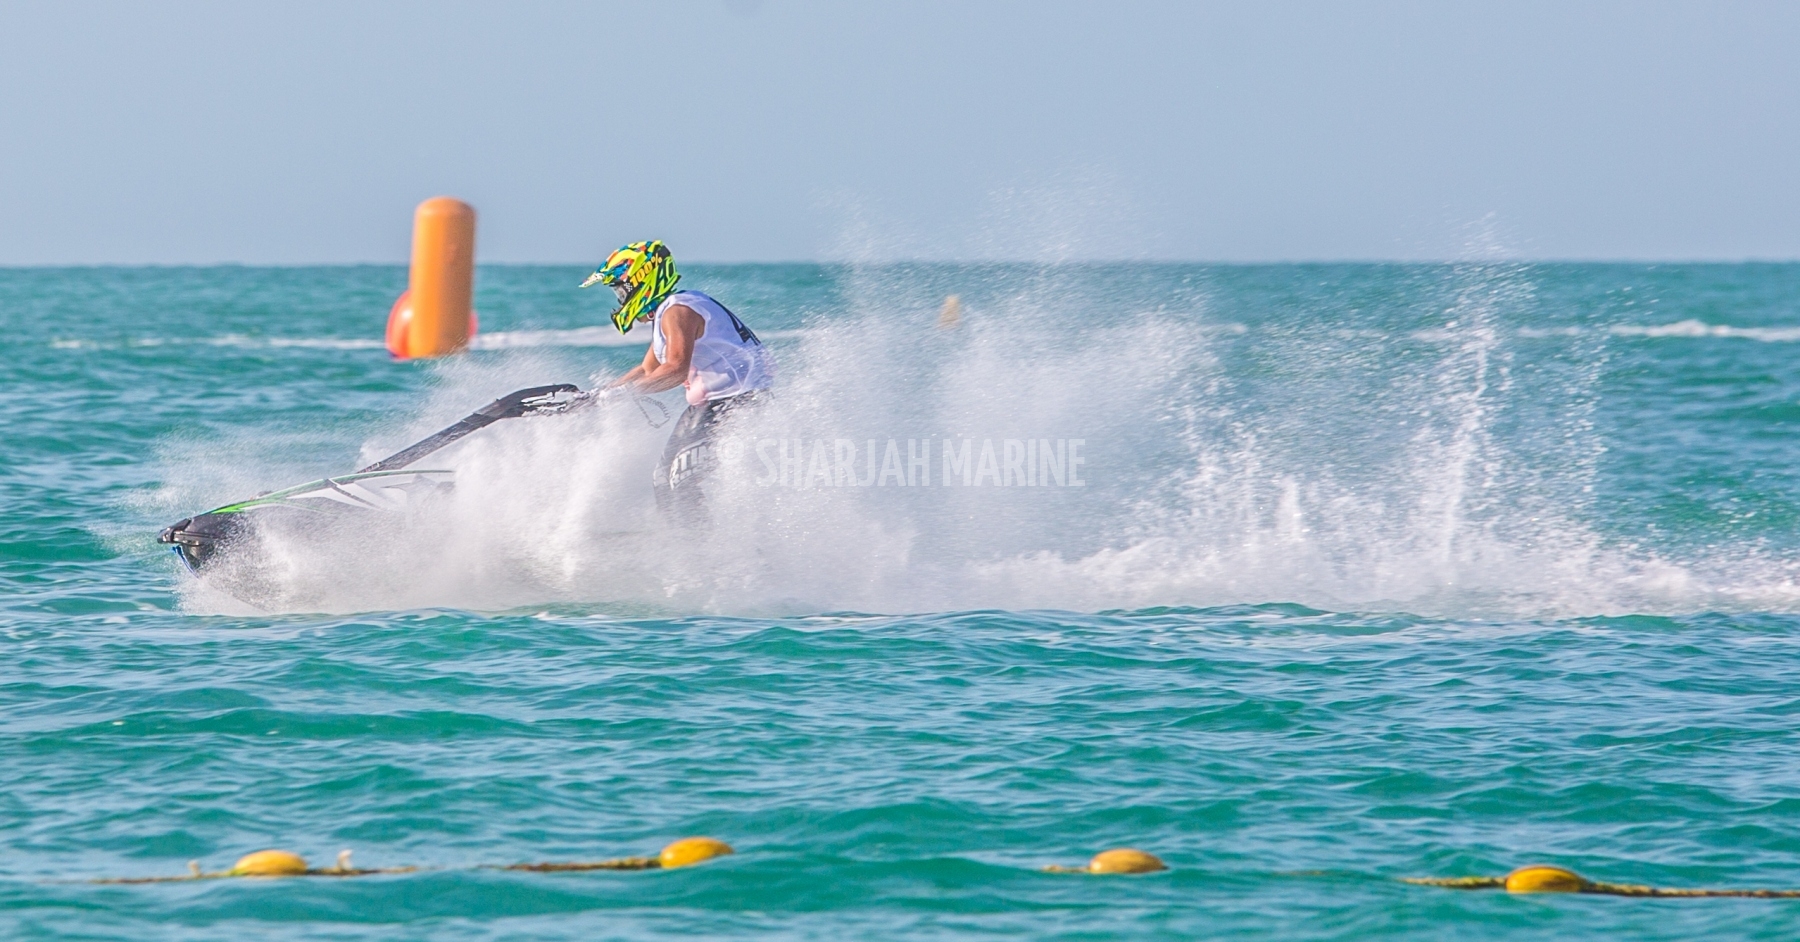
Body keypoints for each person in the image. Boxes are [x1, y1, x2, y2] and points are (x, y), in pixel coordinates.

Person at [580, 240, 774, 525]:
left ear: (642, 281)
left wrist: (625, 395)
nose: (620, 299)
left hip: (739, 401)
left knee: (684, 479)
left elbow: (675, 369)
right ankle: (680, 546)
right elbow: (648, 369)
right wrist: (599, 396)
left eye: (621, 289)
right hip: (710, 405)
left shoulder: (678, 311)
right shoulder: (666, 313)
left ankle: (708, 552)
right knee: (662, 478)